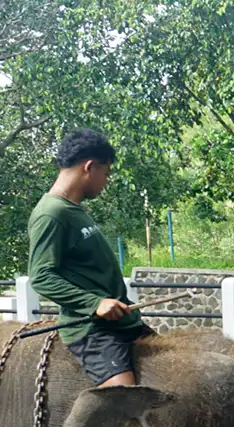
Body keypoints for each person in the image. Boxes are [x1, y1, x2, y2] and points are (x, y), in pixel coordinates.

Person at [28, 128, 151, 387]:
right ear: (90, 167)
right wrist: (95, 303)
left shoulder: (74, 210)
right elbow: (41, 277)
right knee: (126, 404)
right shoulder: (51, 214)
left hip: (121, 323)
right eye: (105, 174)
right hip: (92, 331)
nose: (105, 182)